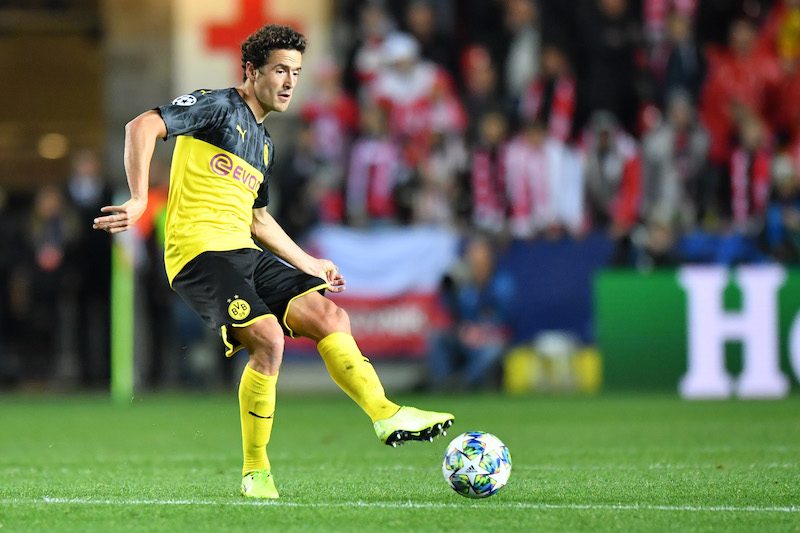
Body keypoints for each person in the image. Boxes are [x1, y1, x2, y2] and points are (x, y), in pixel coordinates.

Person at [92, 24, 453, 499]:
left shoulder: (263, 145)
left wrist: (309, 263)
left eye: (296, 73)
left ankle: (386, 415)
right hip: (198, 254)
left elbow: (258, 220)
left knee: (329, 316)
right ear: (252, 71)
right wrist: (140, 198)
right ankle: (255, 471)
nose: (289, 82)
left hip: (242, 251)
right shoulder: (217, 106)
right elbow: (141, 125)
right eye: (280, 70)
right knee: (268, 339)